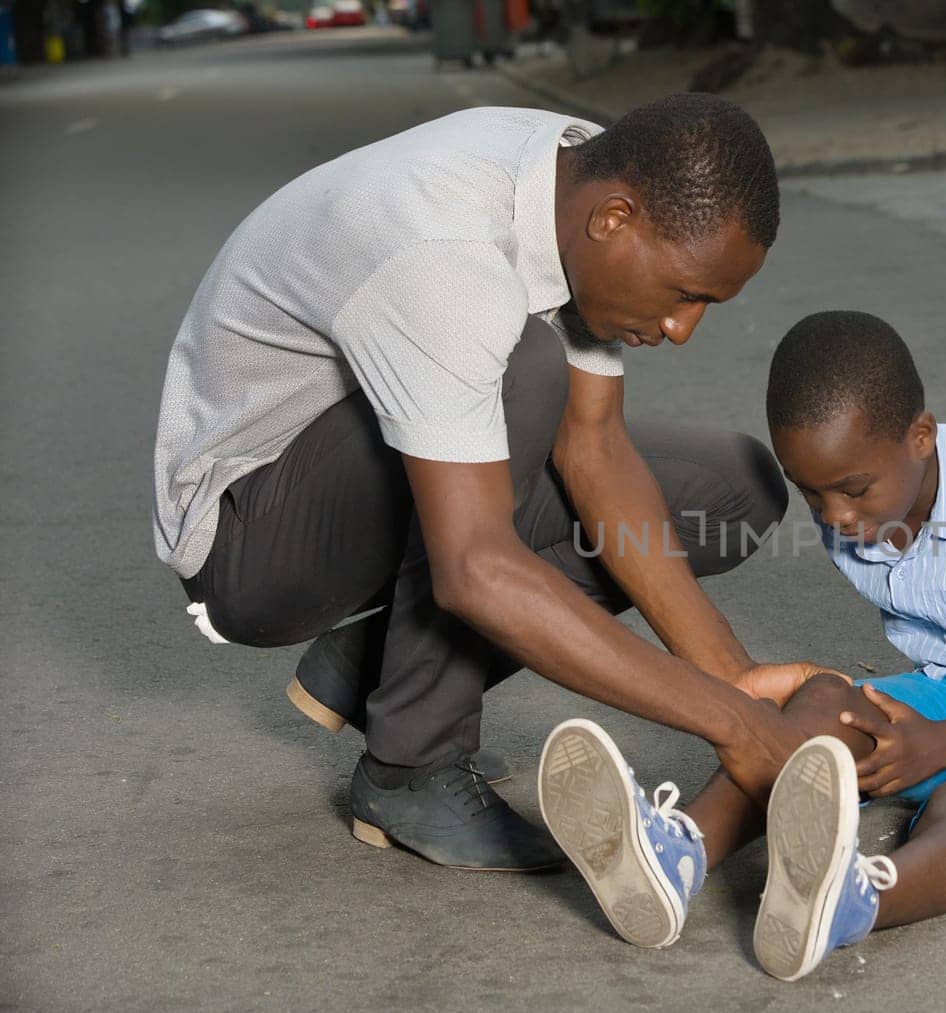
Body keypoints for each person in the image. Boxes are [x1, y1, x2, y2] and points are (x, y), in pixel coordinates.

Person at [152, 95, 829, 873]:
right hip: (249, 532)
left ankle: (376, 661)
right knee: (525, 371)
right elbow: (478, 570)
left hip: (387, 449)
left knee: (730, 489)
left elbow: (595, 449)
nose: (683, 330)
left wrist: (736, 684)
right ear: (614, 219)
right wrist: (736, 729)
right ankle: (411, 767)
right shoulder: (447, 260)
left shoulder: (575, 172)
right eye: (685, 295)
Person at [537, 309, 946, 978]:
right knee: (816, 707)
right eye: (812, 494)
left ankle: (849, 900)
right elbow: (924, 673)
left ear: (920, 437)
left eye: (853, 490)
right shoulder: (858, 514)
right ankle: (676, 854)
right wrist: (894, 725)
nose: (834, 518)